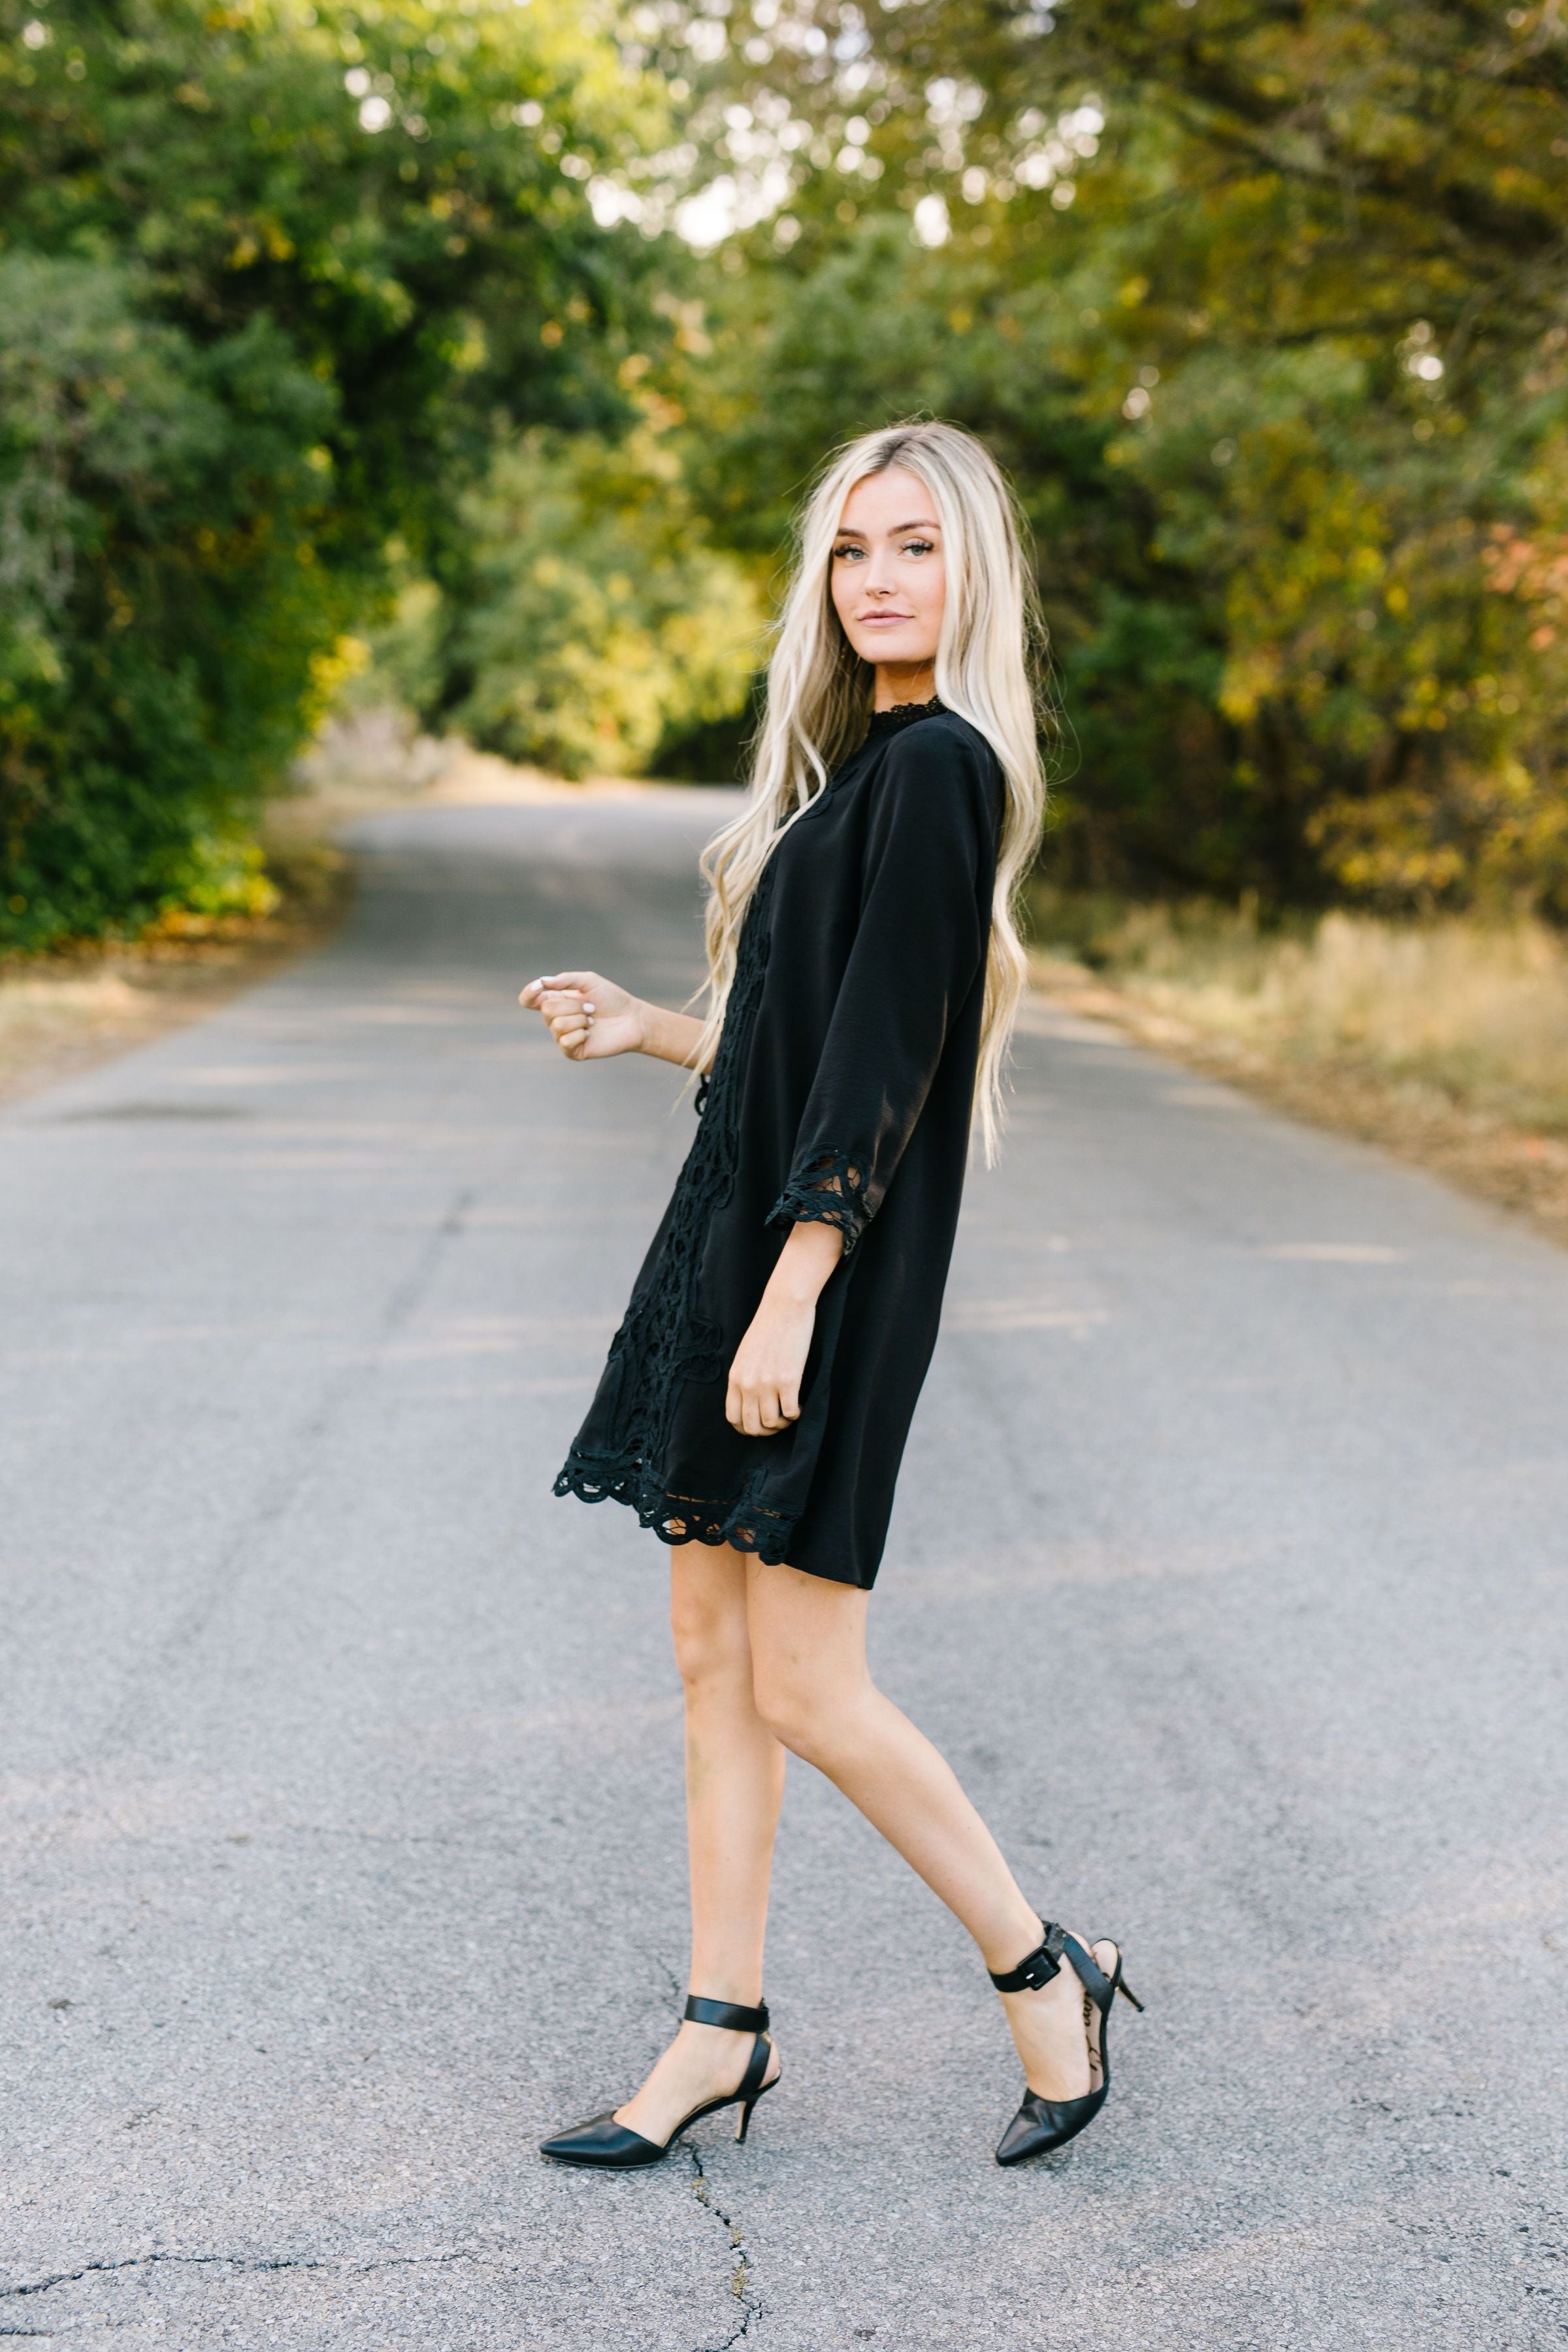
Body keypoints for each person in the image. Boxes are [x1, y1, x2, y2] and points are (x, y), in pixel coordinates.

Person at [519, 420, 1141, 2172]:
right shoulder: (859, 777)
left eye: (916, 546)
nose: (878, 577)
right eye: (854, 549)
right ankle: (722, 2029)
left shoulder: (945, 770)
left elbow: (879, 1080)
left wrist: (796, 1290)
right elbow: (801, 1060)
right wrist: (650, 1027)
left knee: (806, 1681)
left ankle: (1044, 1975)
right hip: (747, 1249)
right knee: (710, 1655)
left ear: (973, 575)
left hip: (819, 1273)